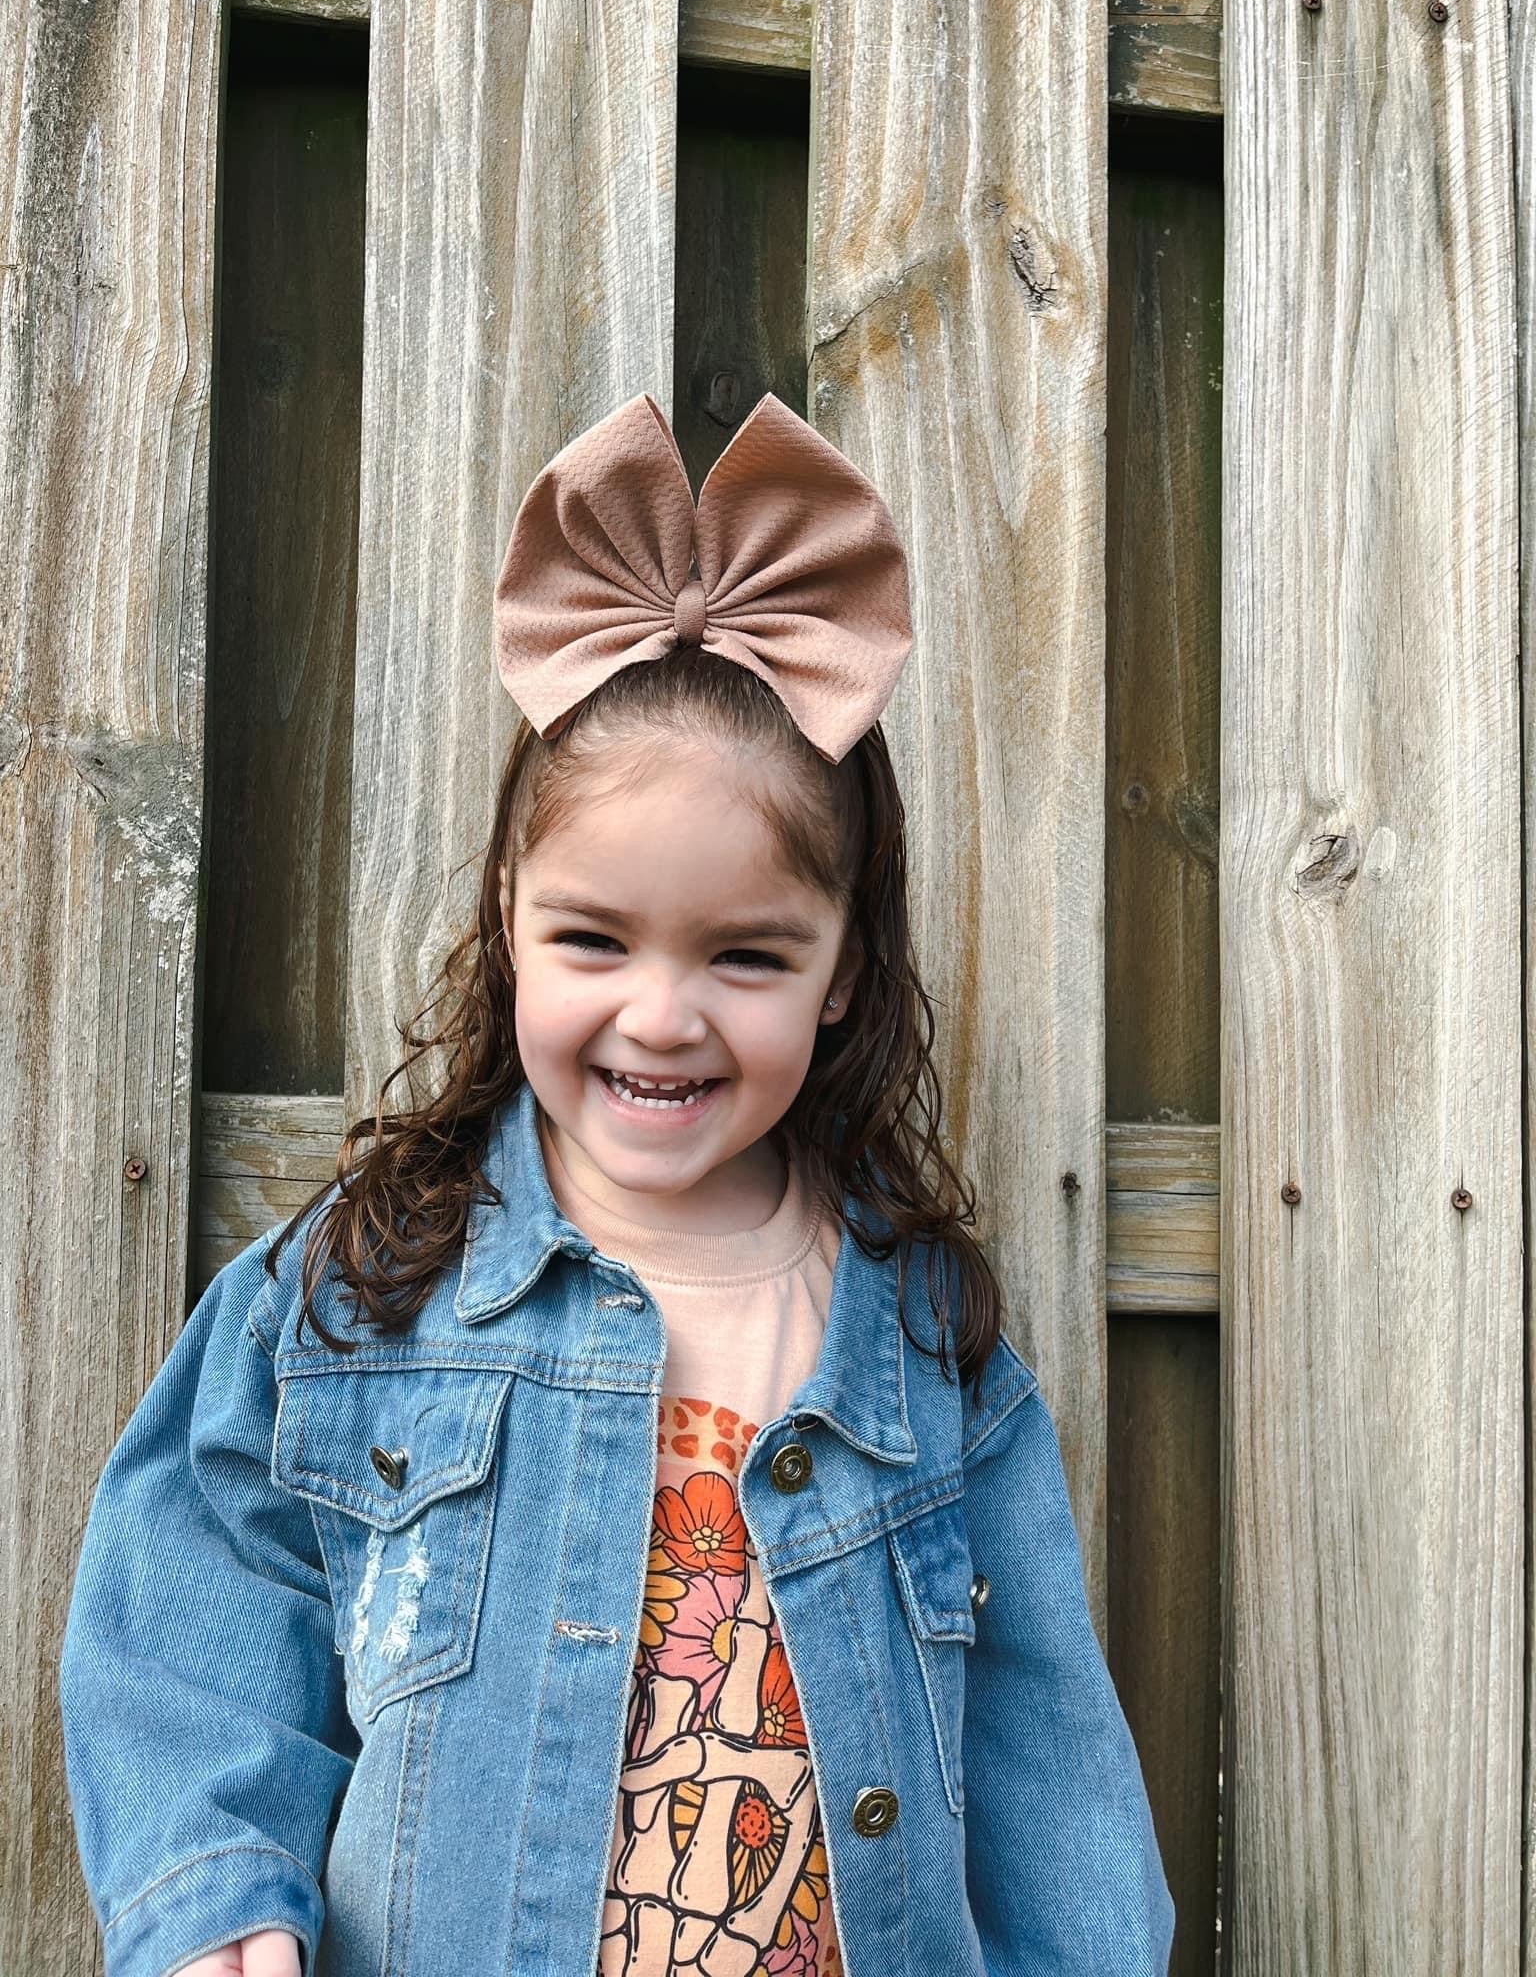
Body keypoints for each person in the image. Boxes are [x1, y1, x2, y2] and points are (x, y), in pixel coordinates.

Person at [60, 390, 1175, 1977]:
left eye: (747, 956)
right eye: (594, 939)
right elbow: (193, 1603)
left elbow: (1047, 1765)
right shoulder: (362, 1290)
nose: (662, 1015)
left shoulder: (927, 1346)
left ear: (843, 972)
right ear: (510, 915)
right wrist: (214, 1892)